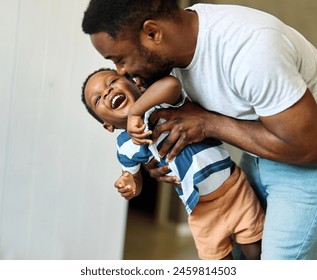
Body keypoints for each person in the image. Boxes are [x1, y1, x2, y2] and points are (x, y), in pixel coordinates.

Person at [81, 1, 317, 259]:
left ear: (152, 33)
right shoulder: (171, 50)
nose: (122, 72)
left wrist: (206, 123)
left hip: (304, 161)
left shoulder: (251, 49)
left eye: (120, 59)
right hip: (261, 152)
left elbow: (307, 146)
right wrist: (162, 155)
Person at [81, 68, 265, 260]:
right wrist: (130, 183)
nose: (107, 92)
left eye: (112, 82)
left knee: (254, 249)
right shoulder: (126, 146)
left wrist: (137, 111)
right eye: (98, 99)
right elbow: (133, 176)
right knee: (217, 258)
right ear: (107, 125)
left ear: (137, 86)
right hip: (199, 208)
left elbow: (172, 84)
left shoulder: (160, 105)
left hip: (234, 188)